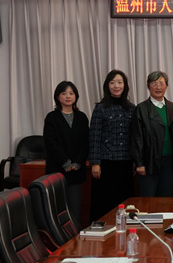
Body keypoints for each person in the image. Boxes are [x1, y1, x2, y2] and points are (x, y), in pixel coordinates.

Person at [88, 70, 136, 221]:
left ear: (125, 85)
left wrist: (136, 160)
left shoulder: (132, 108)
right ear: (107, 86)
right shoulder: (100, 108)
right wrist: (95, 163)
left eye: (120, 82)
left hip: (126, 162)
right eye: (112, 82)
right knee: (104, 203)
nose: (116, 86)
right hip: (106, 163)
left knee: (125, 203)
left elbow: (135, 137)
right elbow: (94, 137)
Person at [43, 81, 89, 228]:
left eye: (71, 93)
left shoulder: (82, 117)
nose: (68, 96)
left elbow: (86, 142)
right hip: (57, 171)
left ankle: (74, 238)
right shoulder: (52, 117)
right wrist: (65, 162)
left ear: (76, 96)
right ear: (58, 97)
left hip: (76, 172)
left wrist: (78, 162)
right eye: (64, 93)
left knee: (75, 210)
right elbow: (51, 143)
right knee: (57, 210)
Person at [130, 71, 173, 197]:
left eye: (161, 83)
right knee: (148, 200)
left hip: (169, 163)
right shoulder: (141, 108)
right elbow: (137, 137)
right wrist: (139, 163)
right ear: (148, 86)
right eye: (154, 84)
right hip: (149, 162)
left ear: (166, 86)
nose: (158, 87)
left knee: (166, 199)